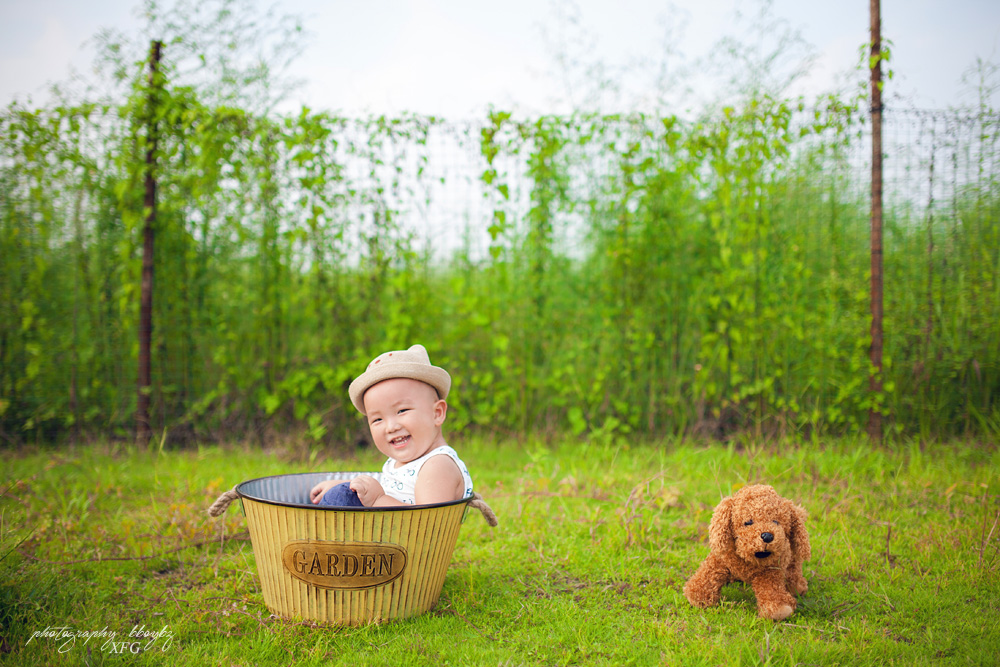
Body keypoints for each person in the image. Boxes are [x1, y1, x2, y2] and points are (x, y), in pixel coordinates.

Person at [309, 344, 473, 507]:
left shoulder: (437, 466)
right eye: (377, 419)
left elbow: (428, 525)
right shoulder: (401, 463)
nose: (391, 427)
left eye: (402, 410)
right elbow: (390, 488)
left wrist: (377, 500)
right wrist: (349, 486)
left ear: (437, 413)